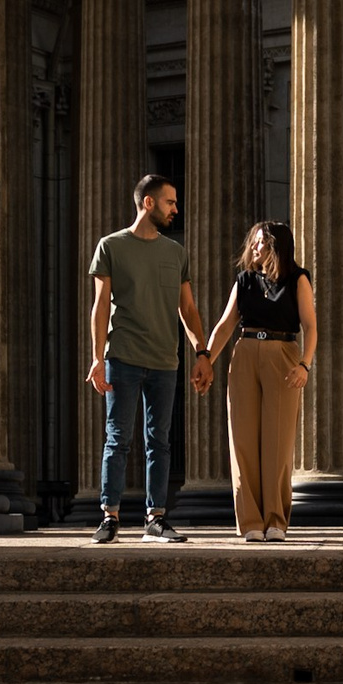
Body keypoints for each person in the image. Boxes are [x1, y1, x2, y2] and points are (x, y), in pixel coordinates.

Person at [87, 174, 213, 543]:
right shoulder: (110, 246)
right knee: (118, 438)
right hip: (122, 357)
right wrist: (97, 358)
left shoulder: (176, 252)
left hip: (164, 361)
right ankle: (109, 517)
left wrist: (201, 352)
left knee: (159, 440)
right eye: (170, 202)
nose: (176, 208)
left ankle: (155, 519)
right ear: (148, 203)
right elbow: (99, 307)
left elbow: (187, 309)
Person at [199, 220, 316, 541]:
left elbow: (311, 326)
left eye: (260, 241)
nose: (254, 247)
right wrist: (206, 358)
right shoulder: (245, 281)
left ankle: (275, 519)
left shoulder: (297, 279)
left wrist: (305, 364)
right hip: (245, 354)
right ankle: (250, 521)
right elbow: (224, 325)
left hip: (284, 355)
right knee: (243, 441)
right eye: (253, 241)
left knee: (278, 442)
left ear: (276, 245)